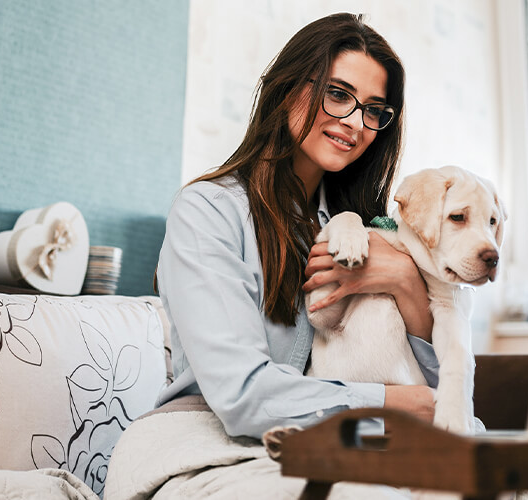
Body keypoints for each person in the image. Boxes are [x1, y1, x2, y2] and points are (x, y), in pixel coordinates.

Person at [155, 12, 437, 444]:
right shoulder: (209, 212)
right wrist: (392, 403)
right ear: (287, 90)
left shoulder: (366, 232)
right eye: (338, 94)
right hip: (211, 440)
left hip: (339, 442)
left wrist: (405, 283)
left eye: (374, 110)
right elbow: (243, 396)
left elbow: (440, 388)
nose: (356, 123)